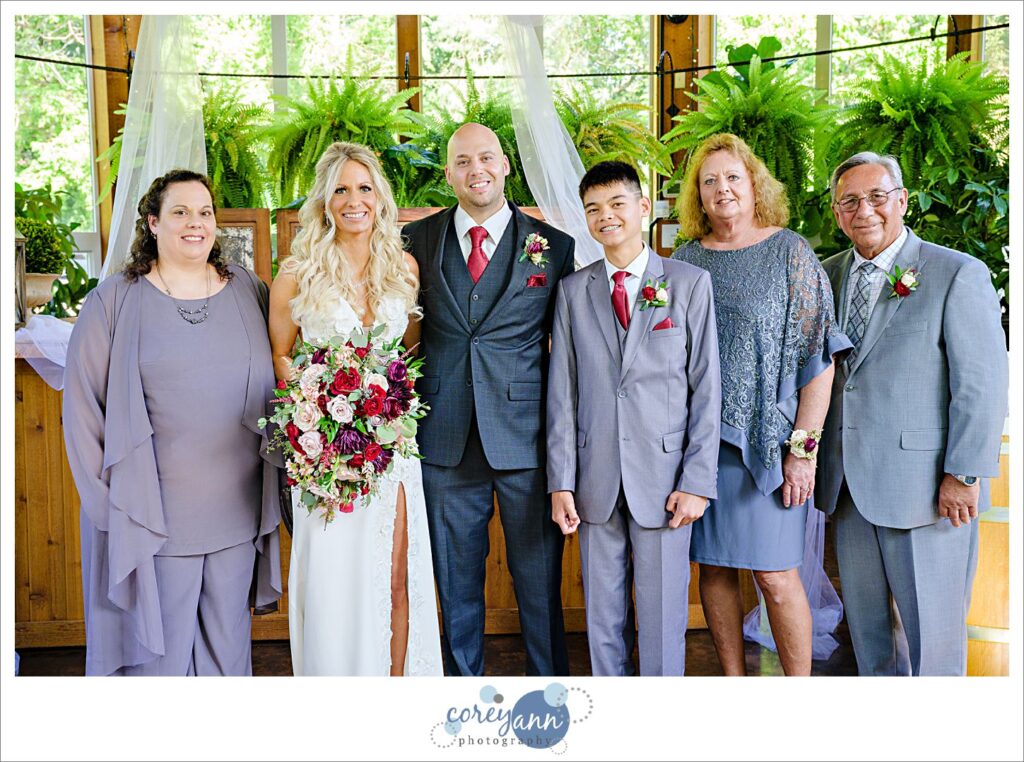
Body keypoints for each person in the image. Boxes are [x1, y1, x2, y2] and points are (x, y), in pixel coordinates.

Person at [63, 169, 282, 676]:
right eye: (180, 212)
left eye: (204, 212)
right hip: (152, 518)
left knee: (228, 659)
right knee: (158, 664)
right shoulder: (113, 301)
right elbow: (81, 412)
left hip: (236, 511)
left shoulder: (250, 289)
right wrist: (107, 509)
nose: (195, 223)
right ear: (152, 223)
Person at [815, 151, 1008, 676]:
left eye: (877, 196)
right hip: (848, 488)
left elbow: (982, 384)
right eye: (849, 201)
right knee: (870, 643)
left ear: (901, 200)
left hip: (928, 490)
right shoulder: (824, 276)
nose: (865, 210)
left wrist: (963, 474)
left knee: (934, 646)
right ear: (836, 213)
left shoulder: (955, 273)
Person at [672, 133, 850, 676]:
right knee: (716, 569)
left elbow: (819, 358)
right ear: (697, 197)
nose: (722, 189)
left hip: (772, 449)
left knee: (775, 575)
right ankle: (734, 685)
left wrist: (804, 450)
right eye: (709, 181)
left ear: (754, 185)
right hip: (700, 449)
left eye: (732, 177)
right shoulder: (684, 260)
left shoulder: (791, 252)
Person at [402, 123, 574, 676]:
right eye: (461, 161)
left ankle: (551, 698)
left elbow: (569, 351)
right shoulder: (415, 243)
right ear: (448, 173)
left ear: (504, 165)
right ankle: (460, 697)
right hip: (444, 439)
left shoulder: (556, 249)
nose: (475, 169)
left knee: (540, 584)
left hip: (526, 441)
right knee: (455, 585)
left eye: (485, 158)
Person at [269, 142, 443, 676]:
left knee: (396, 574)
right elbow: (281, 357)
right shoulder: (297, 274)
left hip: (392, 450)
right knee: (336, 583)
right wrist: (319, 418)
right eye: (340, 189)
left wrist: (381, 413)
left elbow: (406, 355)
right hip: (328, 459)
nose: (353, 200)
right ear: (324, 201)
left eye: (364, 188)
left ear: (380, 199)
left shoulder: (404, 269)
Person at [547, 161, 721, 675]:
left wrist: (697, 481)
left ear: (643, 207)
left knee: (664, 616)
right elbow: (563, 392)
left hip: (667, 481)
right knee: (601, 618)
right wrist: (561, 482)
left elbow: (706, 389)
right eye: (594, 209)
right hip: (594, 479)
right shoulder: (573, 291)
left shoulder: (689, 284)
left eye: (617, 204)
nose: (607, 217)